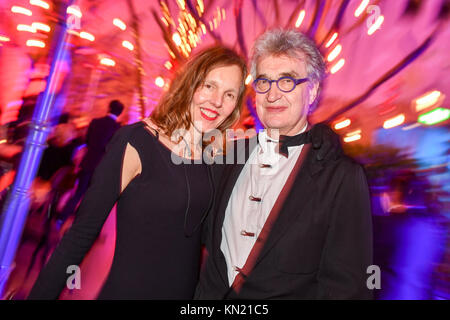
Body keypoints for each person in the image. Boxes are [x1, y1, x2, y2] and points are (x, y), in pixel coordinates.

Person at [27, 46, 248, 299]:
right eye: (209, 86)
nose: (217, 101)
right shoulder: (137, 142)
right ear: (190, 83)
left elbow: (215, 241)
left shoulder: (214, 160)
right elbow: (80, 235)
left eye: (229, 94)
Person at [194, 29, 373, 299]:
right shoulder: (229, 154)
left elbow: (347, 287)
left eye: (287, 81)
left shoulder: (342, 177)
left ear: (312, 92)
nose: (273, 94)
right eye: (264, 82)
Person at [58, 100, 124, 224]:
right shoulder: (118, 128)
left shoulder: (95, 122)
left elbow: (87, 141)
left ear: (109, 108)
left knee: (78, 192)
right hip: (102, 168)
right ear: (120, 113)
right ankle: (79, 223)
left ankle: (62, 218)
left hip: (88, 162)